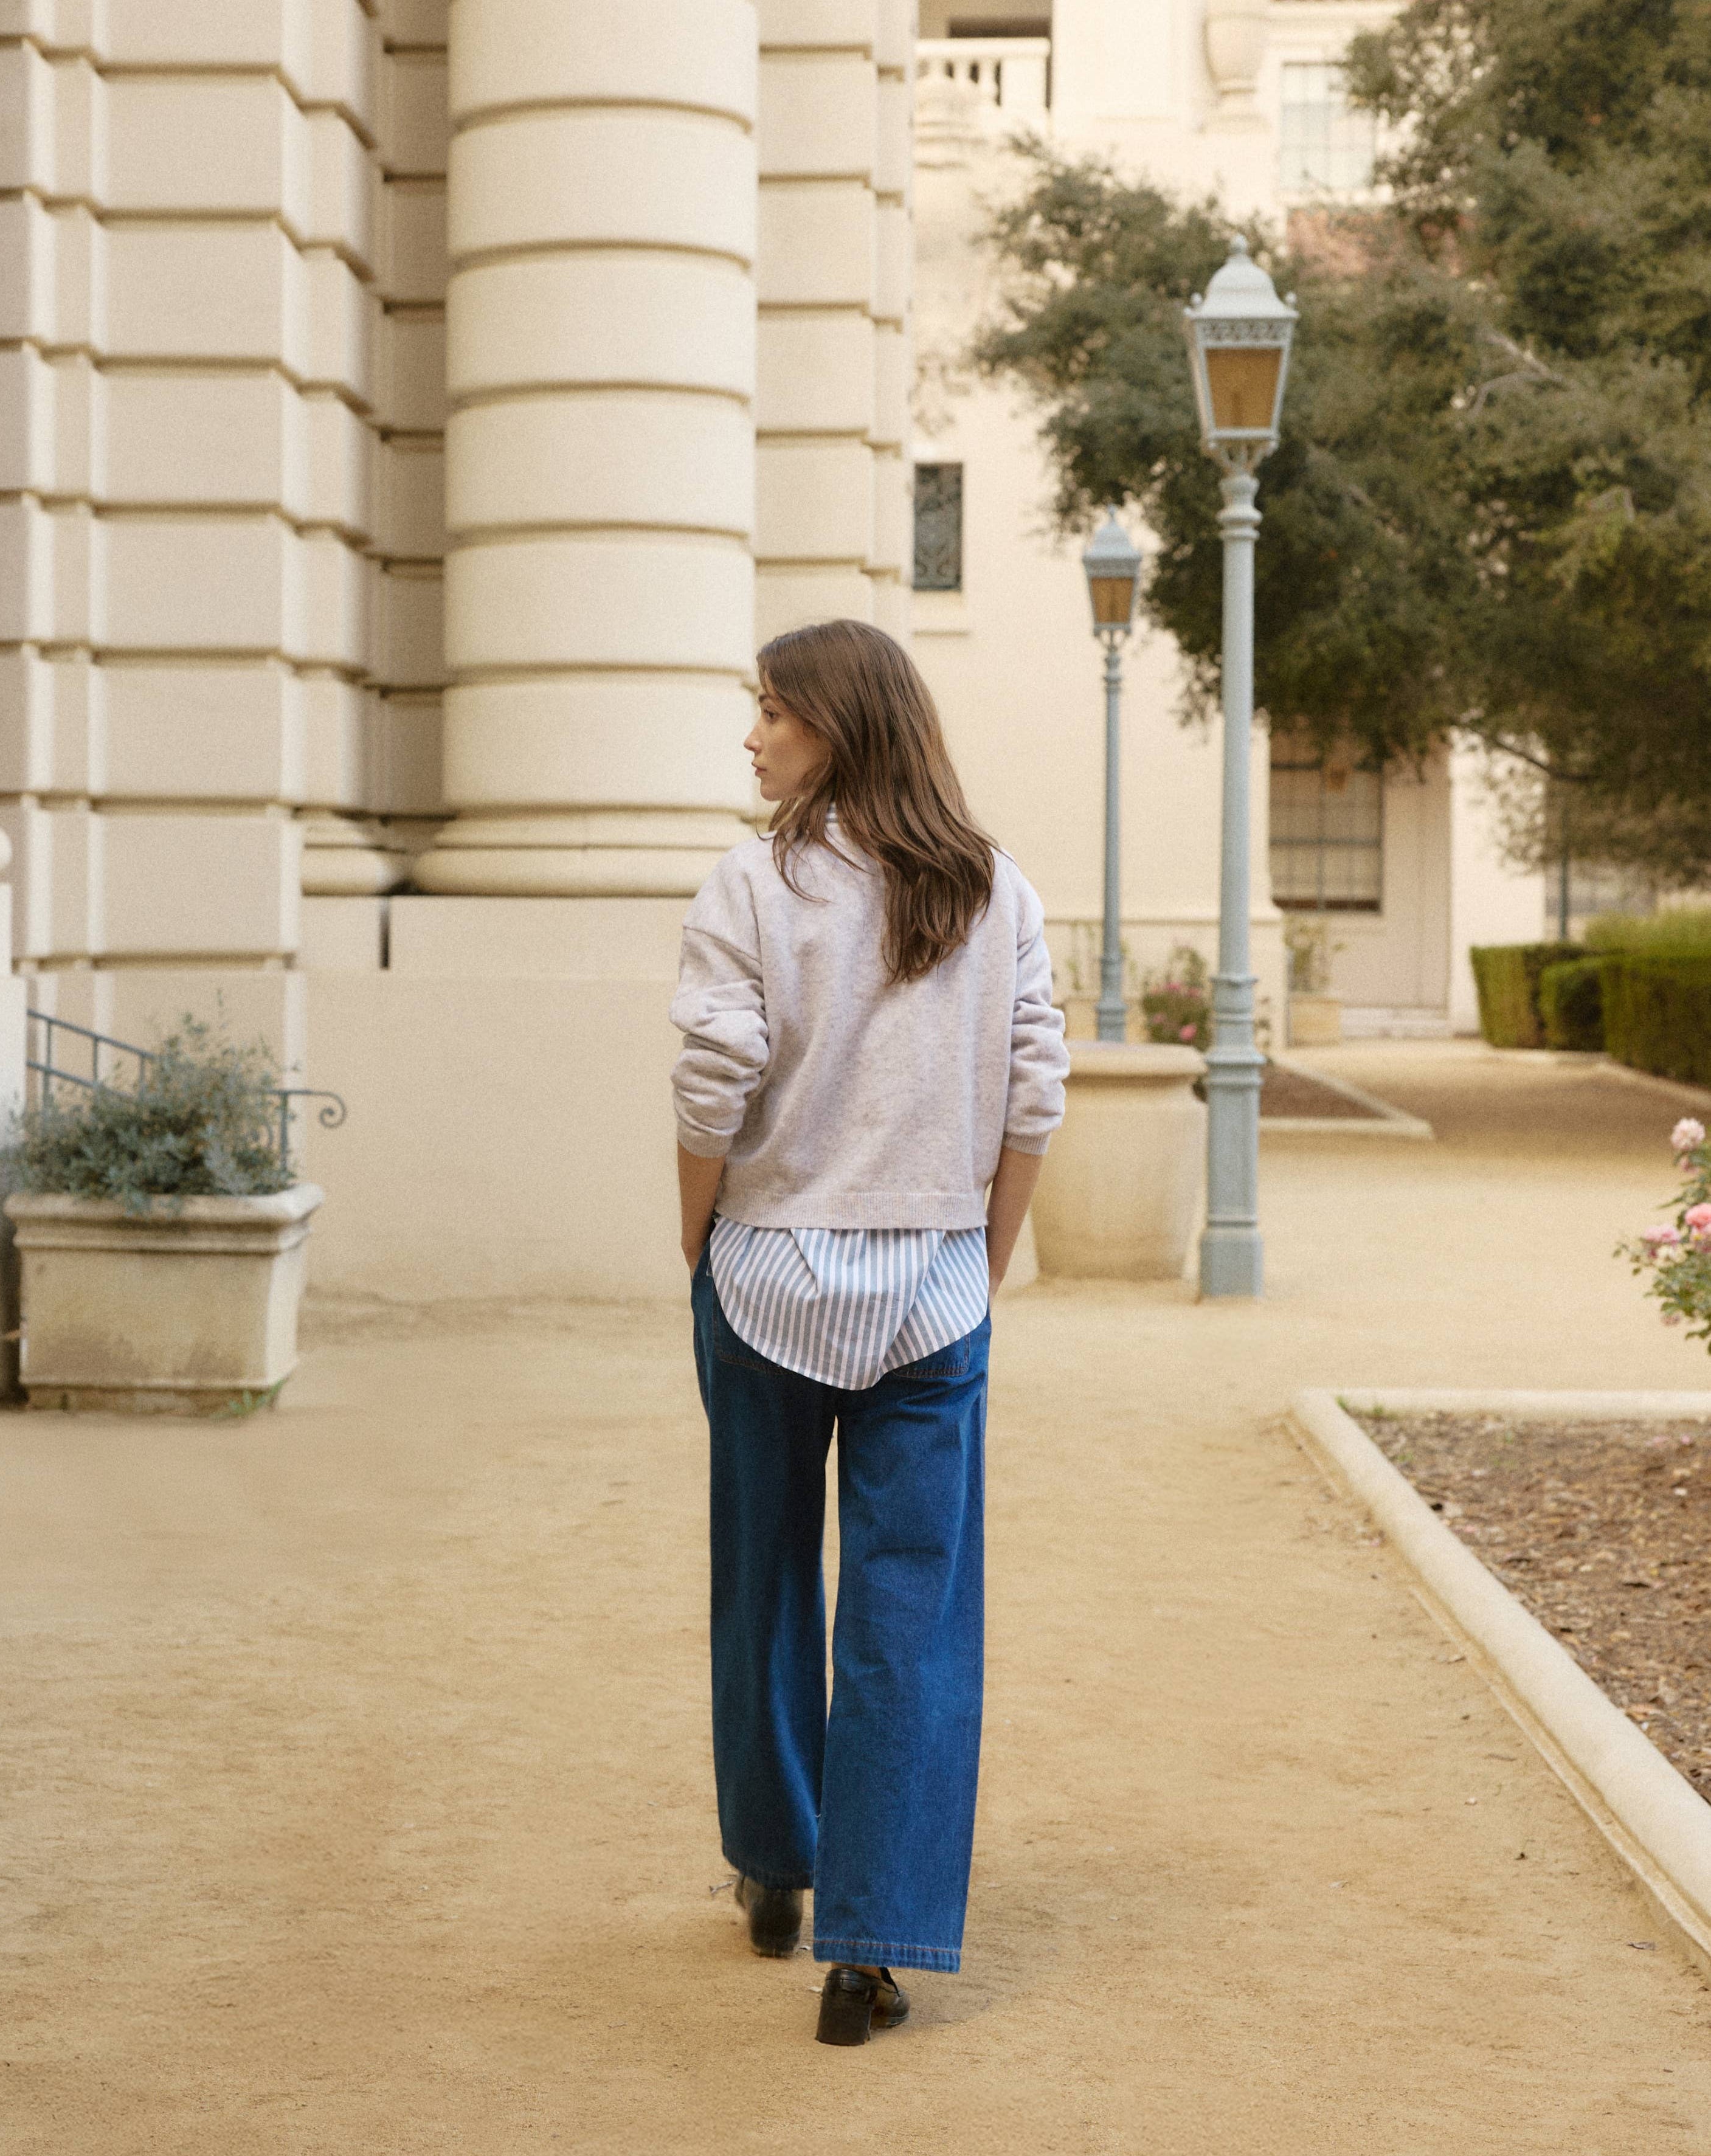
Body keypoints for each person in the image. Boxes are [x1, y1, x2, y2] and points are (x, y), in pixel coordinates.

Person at [669, 618, 1068, 2047]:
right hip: (932, 1297)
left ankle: (777, 1868)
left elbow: (710, 1085)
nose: (754, 736)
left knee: (764, 1576)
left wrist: (698, 1240)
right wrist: (982, 1258)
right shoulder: (992, 888)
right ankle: (872, 1951)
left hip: (763, 1281)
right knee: (913, 1612)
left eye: (774, 711)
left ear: (836, 725)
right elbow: (1035, 1092)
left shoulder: (750, 884)